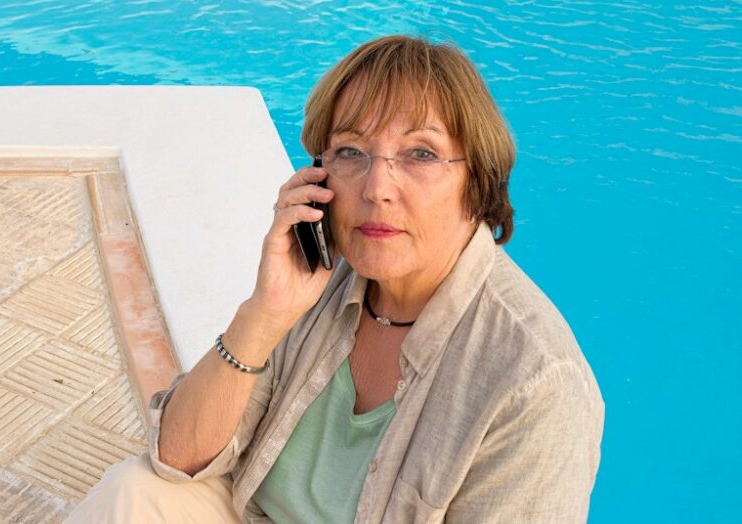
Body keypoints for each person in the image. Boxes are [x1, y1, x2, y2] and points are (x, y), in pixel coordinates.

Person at [67, 34, 604, 523]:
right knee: (135, 490)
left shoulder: (535, 381)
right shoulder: (323, 285)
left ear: (478, 182)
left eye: (421, 153)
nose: (377, 187)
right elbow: (177, 458)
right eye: (351, 152)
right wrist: (265, 313)